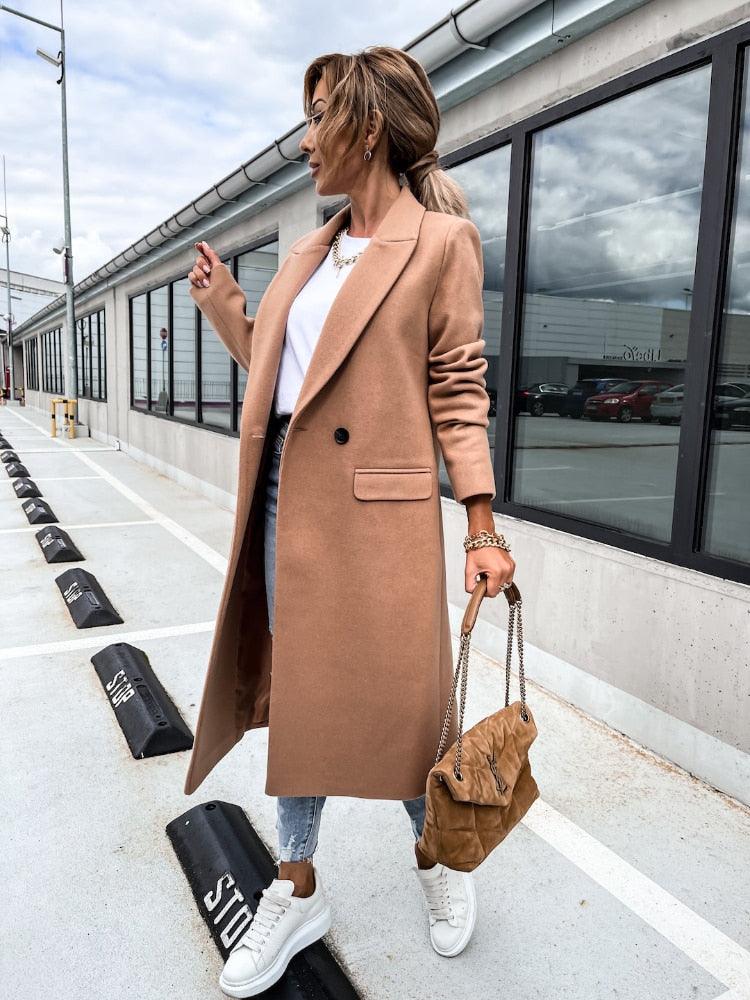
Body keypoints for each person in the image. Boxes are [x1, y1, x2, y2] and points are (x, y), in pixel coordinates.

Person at [189, 45, 515, 999]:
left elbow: (458, 386)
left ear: (366, 127)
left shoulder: (441, 244)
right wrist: (226, 310)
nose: (304, 141)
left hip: (382, 508)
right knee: (304, 698)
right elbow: (285, 376)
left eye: (319, 115)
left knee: (407, 702)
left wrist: (484, 525)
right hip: (292, 499)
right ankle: (295, 886)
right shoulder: (309, 250)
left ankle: (437, 857)